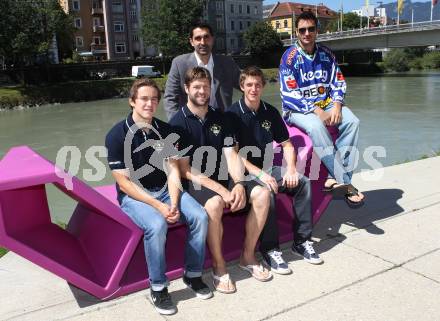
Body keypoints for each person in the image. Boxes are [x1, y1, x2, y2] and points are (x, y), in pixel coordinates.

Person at [105, 78, 211, 315]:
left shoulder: (164, 130)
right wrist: (157, 206)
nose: (149, 103)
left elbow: (173, 169)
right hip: (135, 196)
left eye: (154, 99)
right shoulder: (116, 135)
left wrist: (173, 203)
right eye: (144, 98)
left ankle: (193, 275)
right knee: (156, 224)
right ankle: (159, 287)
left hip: (166, 189)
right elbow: (124, 182)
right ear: (132, 101)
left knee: (200, 216)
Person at [169, 67, 272, 294]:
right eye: (196, 87)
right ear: (187, 89)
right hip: (196, 181)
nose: (202, 91)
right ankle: (219, 265)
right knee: (214, 204)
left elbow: (231, 154)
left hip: (225, 177)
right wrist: (222, 191)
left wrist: (238, 184)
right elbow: (185, 170)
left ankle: (247, 256)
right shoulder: (177, 123)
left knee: (262, 193)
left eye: (206, 86)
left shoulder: (220, 117)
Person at [226, 66, 323, 269]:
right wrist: (261, 174)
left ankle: (302, 242)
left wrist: (290, 169)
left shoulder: (270, 111)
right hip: (241, 174)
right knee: (267, 191)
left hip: (268, 169)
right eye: (249, 85)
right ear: (242, 86)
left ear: (262, 87)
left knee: (303, 182)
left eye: (258, 85)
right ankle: (270, 250)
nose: (254, 89)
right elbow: (233, 154)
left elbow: (287, 145)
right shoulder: (231, 114)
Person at [279, 11, 365, 208]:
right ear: (296, 32)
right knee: (317, 127)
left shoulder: (326, 54)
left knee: (352, 122)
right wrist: (318, 112)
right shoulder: (289, 58)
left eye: (311, 29)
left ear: (317, 31)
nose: (307, 33)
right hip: (297, 109)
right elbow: (289, 93)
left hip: (327, 103)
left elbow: (338, 81)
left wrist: (336, 105)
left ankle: (333, 177)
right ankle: (346, 183)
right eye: (302, 30)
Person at [163, 22, 241, 120]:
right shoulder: (179, 64)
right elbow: (170, 98)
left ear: (212, 39)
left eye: (206, 37)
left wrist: (242, 112)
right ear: (191, 42)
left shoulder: (227, 63)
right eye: (198, 38)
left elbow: (247, 86)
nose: (203, 42)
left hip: (222, 122)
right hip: (191, 122)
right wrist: (177, 124)